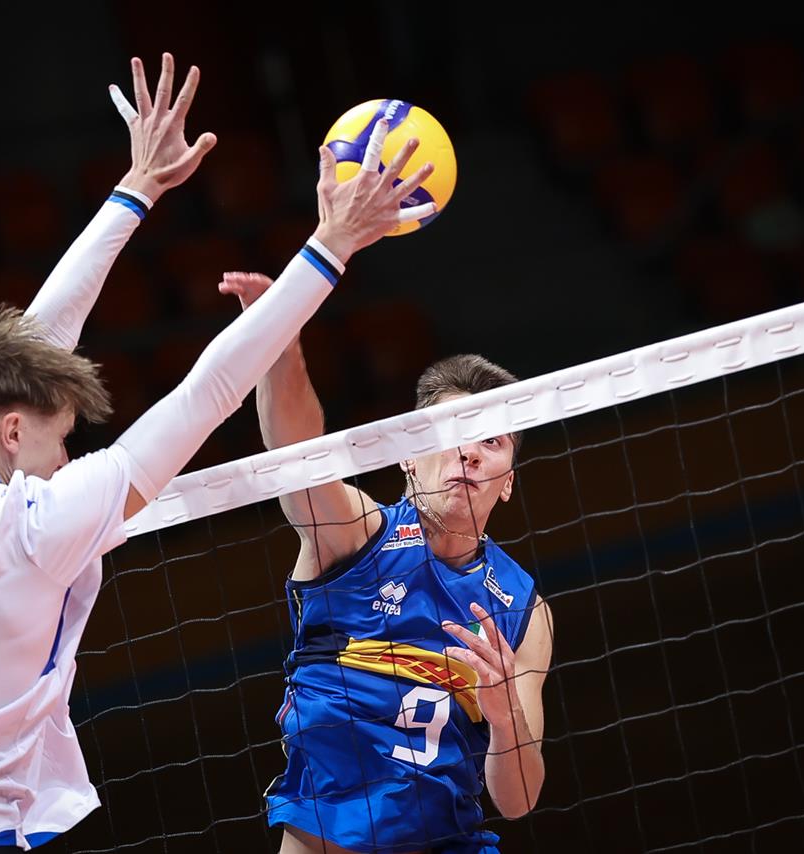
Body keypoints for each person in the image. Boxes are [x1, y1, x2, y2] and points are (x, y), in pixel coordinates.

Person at [0, 52, 437, 854]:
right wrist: (332, 244)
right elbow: (207, 392)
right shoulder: (30, 525)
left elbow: (32, 338)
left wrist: (139, 186)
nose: (62, 458)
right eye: (59, 437)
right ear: (12, 431)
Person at [218, 273, 555, 853]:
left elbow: (519, 800)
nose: (470, 452)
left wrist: (506, 720)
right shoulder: (353, 536)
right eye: (454, 432)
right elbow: (295, 454)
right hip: (330, 837)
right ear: (408, 457)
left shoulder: (525, 611)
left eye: (492, 442)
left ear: (507, 484)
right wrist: (281, 334)